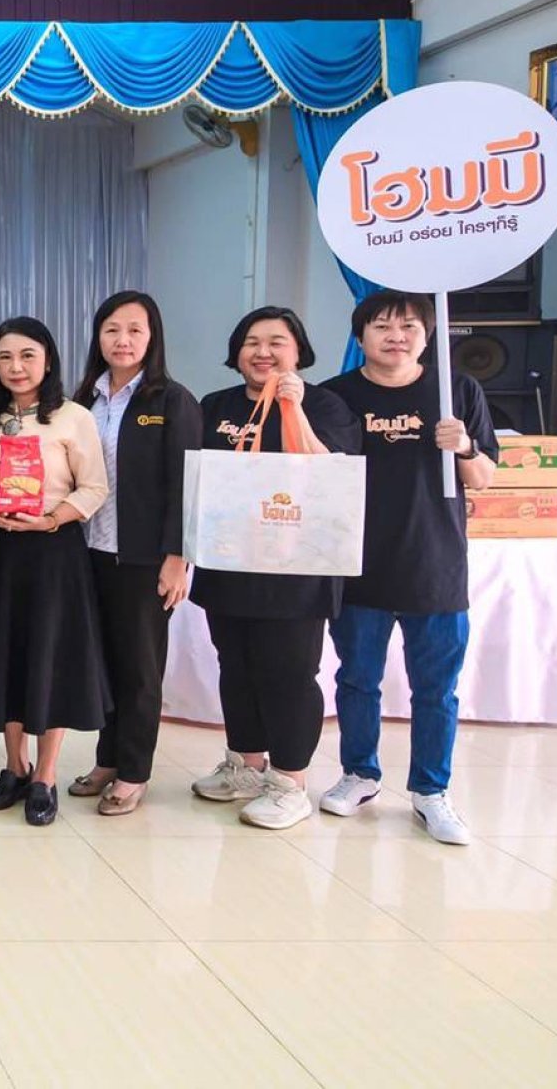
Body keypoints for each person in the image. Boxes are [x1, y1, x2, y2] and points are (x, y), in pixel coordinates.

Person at [321, 290, 498, 845]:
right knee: (356, 679)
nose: (395, 336)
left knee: (436, 689)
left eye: (408, 326)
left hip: (434, 564)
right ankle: (359, 774)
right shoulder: (335, 396)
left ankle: (431, 791)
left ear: (428, 335)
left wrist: (465, 447)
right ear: (360, 337)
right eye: (381, 325)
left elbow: (484, 479)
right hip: (357, 565)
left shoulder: (457, 391)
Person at [190, 306, 361, 830]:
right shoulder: (215, 405)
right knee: (235, 665)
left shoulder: (326, 404)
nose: (262, 352)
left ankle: (290, 782)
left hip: (296, 569)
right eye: (252, 342)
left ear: (298, 351)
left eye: (276, 342)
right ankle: (246, 765)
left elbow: (327, 471)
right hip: (229, 562)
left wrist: (293, 407)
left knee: (288, 673)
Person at [0, 317, 110, 827]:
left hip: (53, 551)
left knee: (48, 658)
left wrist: (50, 519)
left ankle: (45, 775)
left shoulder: (72, 417)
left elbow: (95, 487)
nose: (15, 367)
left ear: (48, 360)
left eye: (27, 356)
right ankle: (14, 766)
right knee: (8, 656)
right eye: (4, 357)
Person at [68, 292, 202, 817]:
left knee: (140, 669)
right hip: (88, 553)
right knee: (103, 663)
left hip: (143, 560)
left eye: (134, 330)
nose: (122, 340)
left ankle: (134, 772)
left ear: (152, 337)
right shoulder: (85, 399)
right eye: (111, 330)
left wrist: (177, 557)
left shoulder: (171, 401)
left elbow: (186, 486)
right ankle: (107, 759)